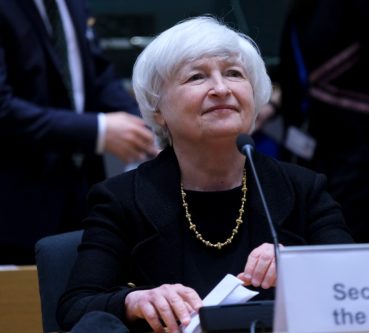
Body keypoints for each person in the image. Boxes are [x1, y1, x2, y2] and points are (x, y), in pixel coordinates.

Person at [56, 16, 353, 333]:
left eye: (234, 74)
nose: (221, 89)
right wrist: (134, 301)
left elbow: (357, 284)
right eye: (197, 77)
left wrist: (301, 266)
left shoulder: (303, 188)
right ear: (158, 108)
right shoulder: (121, 199)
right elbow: (76, 307)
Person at [0, 0, 157, 264]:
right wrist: (98, 130)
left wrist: (148, 127)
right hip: (15, 204)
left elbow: (98, 75)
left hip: (81, 196)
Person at [278, 0, 369, 243]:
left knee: (346, 260)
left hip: (359, 165)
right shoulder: (303, 8)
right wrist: (271, 106)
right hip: (310, 159)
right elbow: (301, 79)